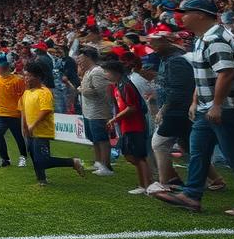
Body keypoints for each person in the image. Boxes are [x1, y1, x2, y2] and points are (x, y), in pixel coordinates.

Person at [154, 0, 234, 216]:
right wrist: (197, 101)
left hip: (228, 107)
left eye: (184, 12)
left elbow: (225, 73)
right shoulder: (203, 38)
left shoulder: (215, 38)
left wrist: (216, 105)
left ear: (200, 14)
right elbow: (205, 74)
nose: (180, 16)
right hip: (210, 107)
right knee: (198, 151)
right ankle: (191, 195)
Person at [20, 60, 86, 184]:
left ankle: (73, 162)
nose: (26, 78)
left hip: (42, 131)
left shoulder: (44, 92)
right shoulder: (27, 92)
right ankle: (41, 180)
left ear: (37, 77)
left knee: (42, 160)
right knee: (34, 157)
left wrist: (32, 125)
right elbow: (23, 110)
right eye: (25, 75)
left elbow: (45, 111)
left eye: (28, 76)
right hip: (31, 131)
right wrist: (24, 127)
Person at [146, 28, 192, 195]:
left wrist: (163, 109)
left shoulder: (176, 60)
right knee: (188, 146)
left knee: (159, 143)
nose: (152, 46)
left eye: (156, 42)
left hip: (177, 110)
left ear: (167, 42)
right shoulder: (168, 59)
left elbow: (179, 90)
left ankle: (163, 183)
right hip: (179, 109)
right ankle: (216, 180)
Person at [103, 60, 153, 195]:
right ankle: (146, 183)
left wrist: (114, 119)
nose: (105, 75)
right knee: (130, 156)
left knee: (137, 156)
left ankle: (146, 186)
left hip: (135, 126)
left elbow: (132, 108)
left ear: (115, 73)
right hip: (127, 126)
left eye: (107, 72)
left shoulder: (126, 86)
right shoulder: (118, 86)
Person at [76, 46, 115, 176]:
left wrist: (82, 90)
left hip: (98, 112)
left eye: (81, 59)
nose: (79, 61)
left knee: (102, 139)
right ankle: (98, 162)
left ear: (88, 58)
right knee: (94, 138)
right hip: (89, 111)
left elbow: (102, 92)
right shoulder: (88, 72)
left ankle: (106, 165)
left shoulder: (97, 72)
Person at [0, 56, 27, 168]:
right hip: (0, 114)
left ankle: (23, 157)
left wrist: (22, 111)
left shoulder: (18, 80)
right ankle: (4, 159)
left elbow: (23, 96)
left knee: (18, 136)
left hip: (14, 114)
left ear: (5, 68)